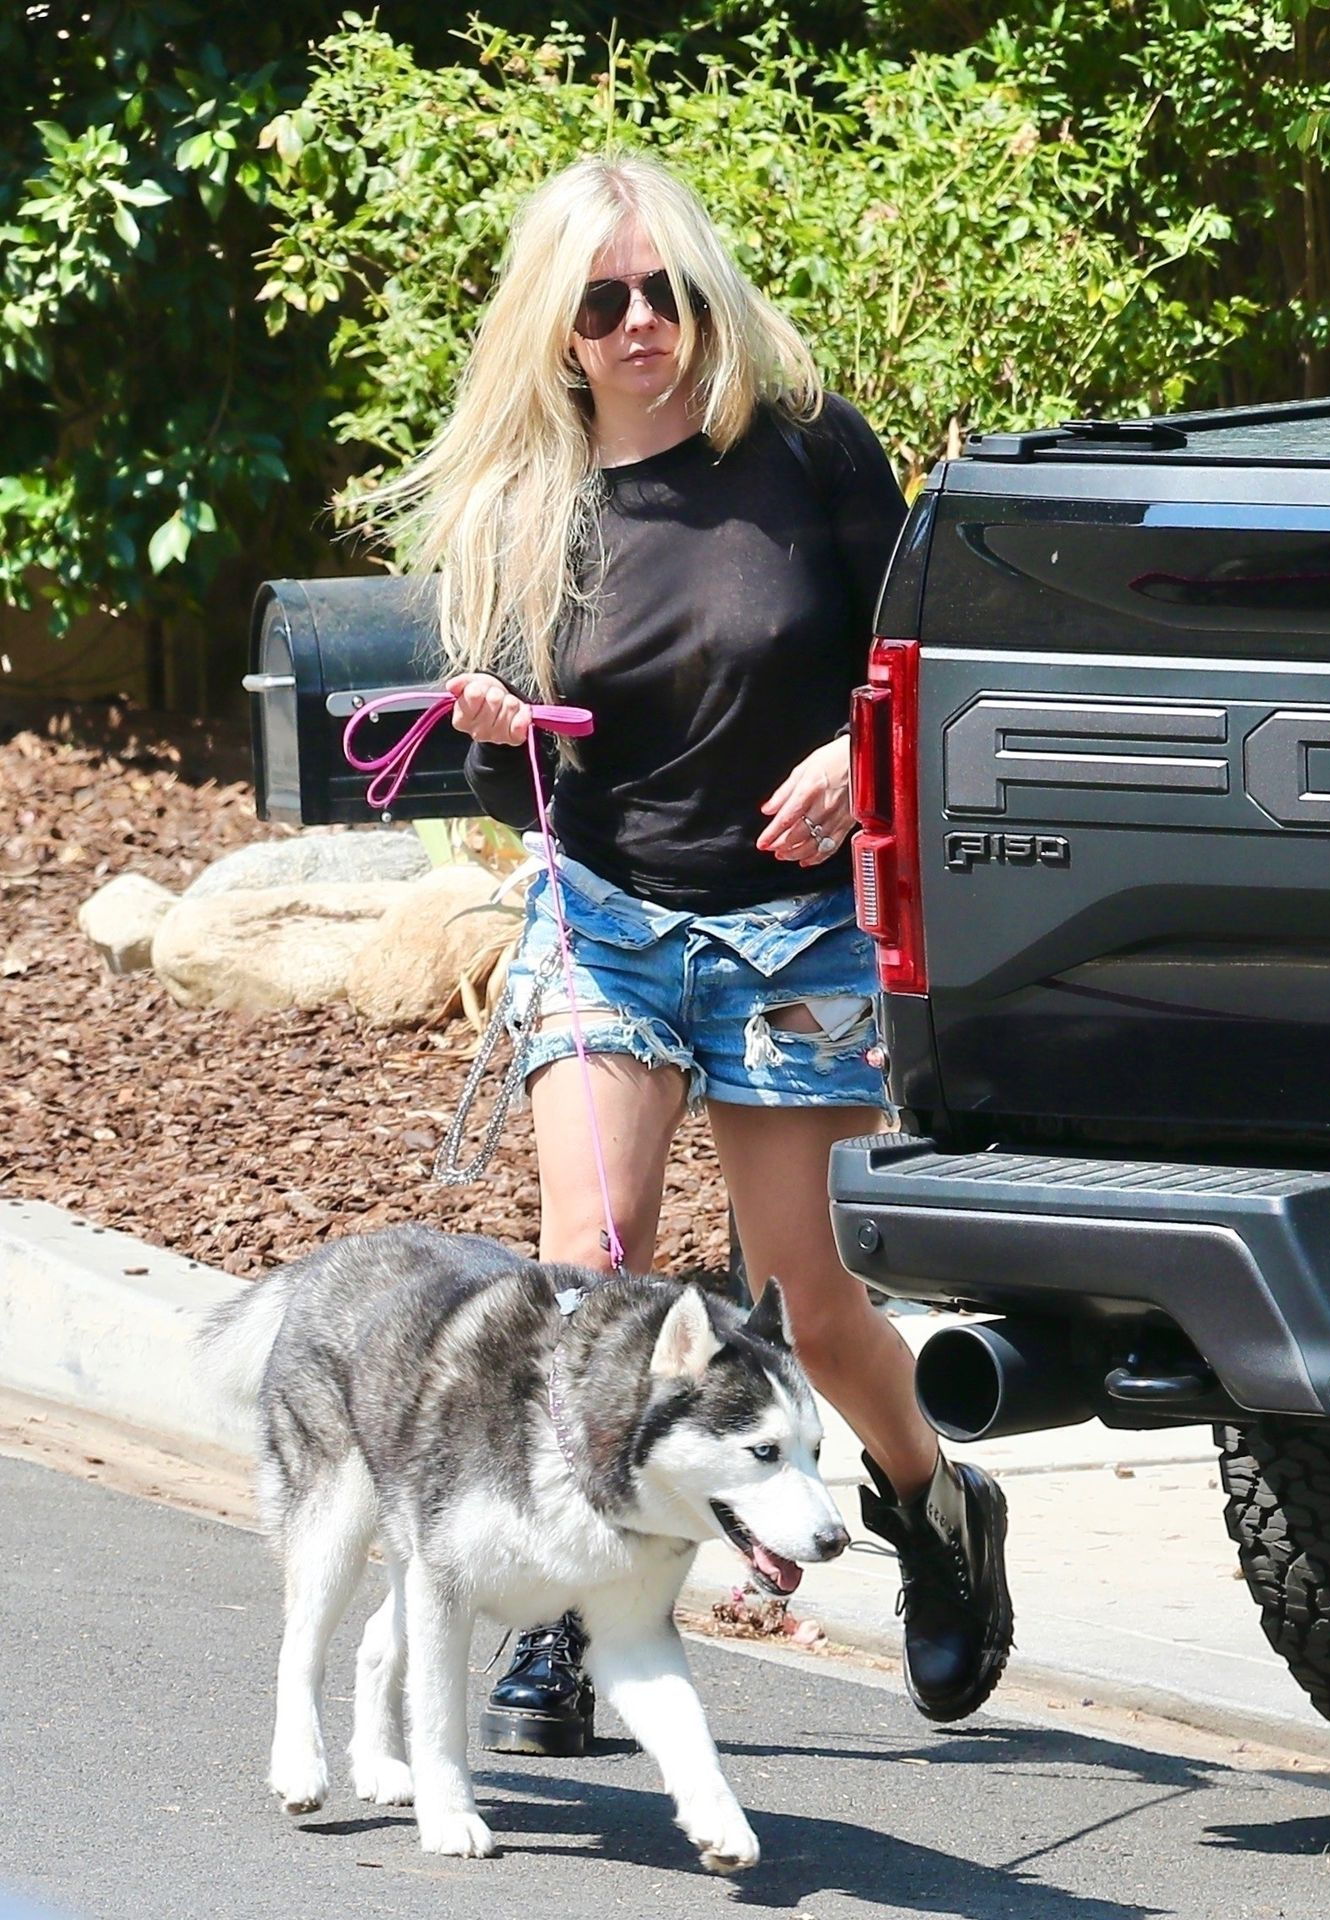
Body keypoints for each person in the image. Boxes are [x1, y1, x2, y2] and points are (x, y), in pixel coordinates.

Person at [385, 152, 1012, 1755]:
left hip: (793, 934)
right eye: (603, 302)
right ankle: (574, 1613)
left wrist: (856, 759)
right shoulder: (524, 503)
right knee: (589, 1274)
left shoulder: (803, 447)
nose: (640, 322)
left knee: (807, 1304)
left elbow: (914, 655)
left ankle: (934, 1510)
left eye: (662, 289)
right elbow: (515, 784)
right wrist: (497, 737)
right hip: (607, 920)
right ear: (558, 328)